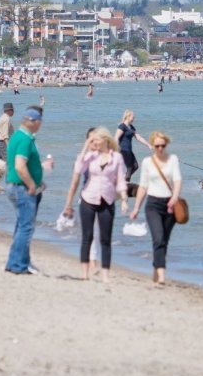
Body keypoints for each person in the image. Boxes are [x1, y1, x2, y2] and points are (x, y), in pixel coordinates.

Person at [62, 126, 128, 283]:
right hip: (88, 199)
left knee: (106, 238)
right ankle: (85, 272)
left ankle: (105, 274)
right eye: (93, 140)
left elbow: (120, 180)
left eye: (96, 139)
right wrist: (86, 145)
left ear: (105, 140)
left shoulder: (116, 157)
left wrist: (124, 198)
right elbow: (78, 169)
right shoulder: (90, 157)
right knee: (88, 236)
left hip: (107, 200)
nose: (94, 142)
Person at [129, 130, 182, 286]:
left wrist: (174, 197)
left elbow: (178, 181)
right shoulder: (147, 162)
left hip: (170, 204)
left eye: (163, 146)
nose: (160, 148)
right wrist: (136, 208)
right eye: (157, 146)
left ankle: (156, 267)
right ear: (152, 146)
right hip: (153, 205)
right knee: (158, 238)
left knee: (164, 240)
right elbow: (143, 186)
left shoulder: (173, 160)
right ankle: (161, 275)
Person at [5, 106, 45, 276]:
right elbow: (20, 166)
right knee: (26, 227)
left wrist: (38, 179)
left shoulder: (18, 136)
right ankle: (19, 265)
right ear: (33, 122)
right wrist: (31, 185)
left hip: (16, 185)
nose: (40, 125)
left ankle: (13, 262)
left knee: (21, 225)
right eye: (39, 122)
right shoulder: (25, 139)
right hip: (21, 187)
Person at [115, 110, 148, 181]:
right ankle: (125, 183)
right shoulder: (122, 126)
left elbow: (139, 137)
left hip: (129, 150)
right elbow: (116, 137)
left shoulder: (131, 127)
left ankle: (123, 179)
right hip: (123, 150)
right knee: (130, 167)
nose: (134, 118)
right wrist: (116, 148)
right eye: (133, 117)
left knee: (135, 166)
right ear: (128, 116)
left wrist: (148, 145)